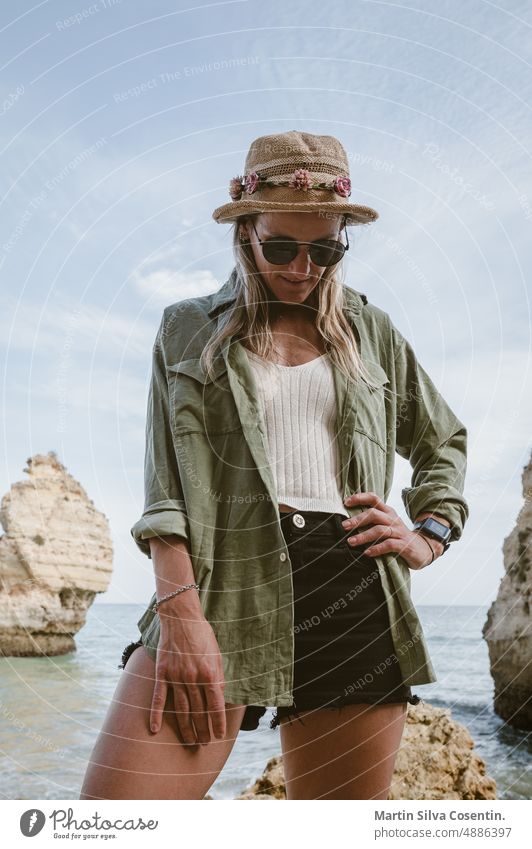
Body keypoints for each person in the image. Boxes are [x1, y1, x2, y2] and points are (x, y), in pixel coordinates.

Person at [80, 130, 469, 800]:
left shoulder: (371, 333)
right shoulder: (188, 329)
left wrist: (427, 536)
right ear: (245, 233)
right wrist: (179, 612)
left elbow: (444, 441)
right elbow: (165, 484)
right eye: (282, 246)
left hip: (353, 589)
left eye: (325, 249)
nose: (302, 268)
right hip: (220, 584)